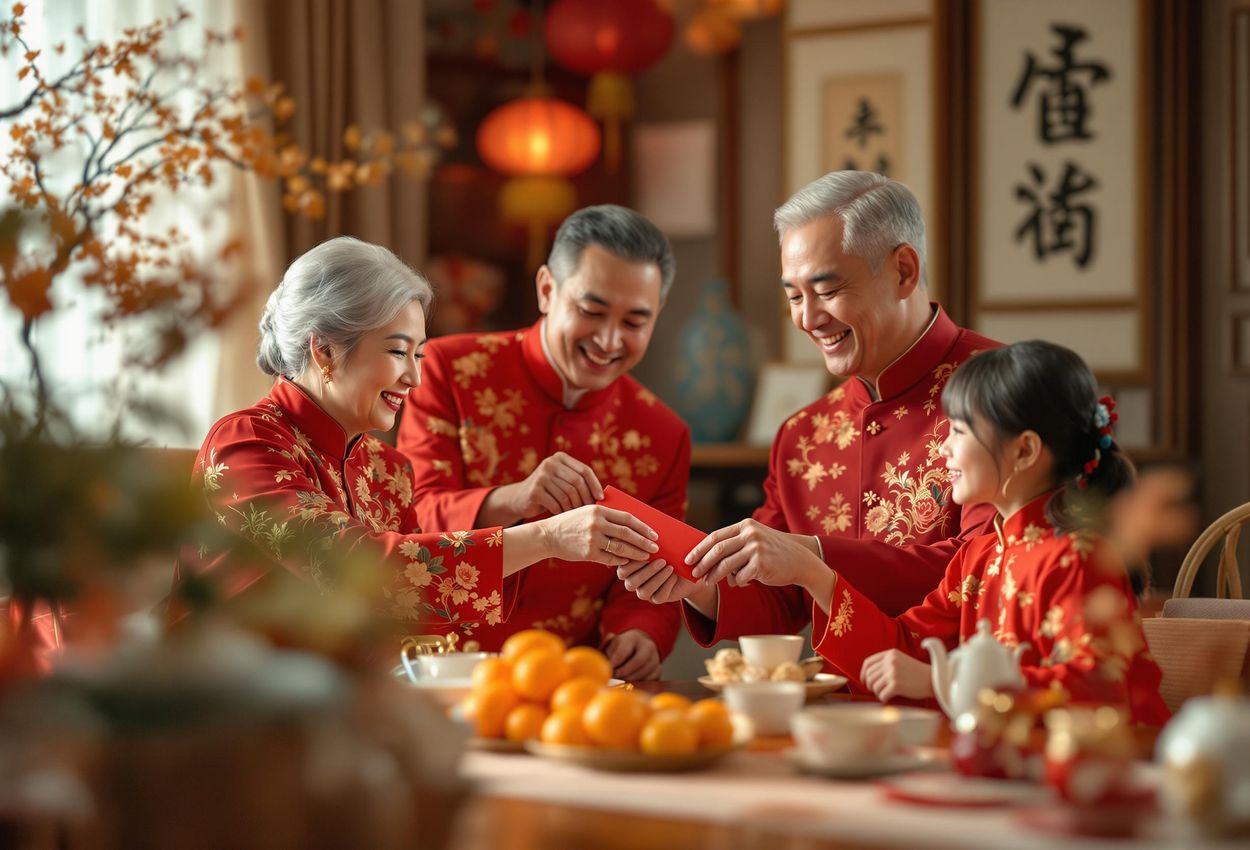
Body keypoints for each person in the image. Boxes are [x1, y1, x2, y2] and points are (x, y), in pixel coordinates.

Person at [174, 237, 660, 634]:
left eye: (420, 355)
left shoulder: (387, 470)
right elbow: (357, 571)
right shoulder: (246, 444)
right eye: (397, 351)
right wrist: (548, 536)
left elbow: (413, 608)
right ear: (323, 350)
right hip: (228, 712)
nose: (415, 378)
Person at [618, 171, 1001, 656]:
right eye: (794, 296)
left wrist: (812, 556)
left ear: (904, 271)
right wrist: (696, 582)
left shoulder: (1005, 391)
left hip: (968, 699)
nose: (807, 318)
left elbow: (991, 566)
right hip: (835, 715)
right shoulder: (802, 436)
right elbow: (778, 597)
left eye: (827, 289)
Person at [396, 206, 687, 680]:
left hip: (571, 683)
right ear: (547, 289)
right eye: (591, 312)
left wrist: (641, 632)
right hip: (443, 666)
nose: (609, 340)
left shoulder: (662, 432)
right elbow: (409, 518)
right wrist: (514, 498)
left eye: (635, 322)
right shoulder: (450, 370)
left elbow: (655, 566)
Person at [812, 341, 1169, 724]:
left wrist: (943, 681)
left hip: (1096, 768)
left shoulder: (1079, 557)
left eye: (960, 431)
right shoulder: (978, 556)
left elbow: (1092, 686)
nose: (944, 448)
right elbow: (908, 649)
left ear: (1025, 451)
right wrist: (812, 573)